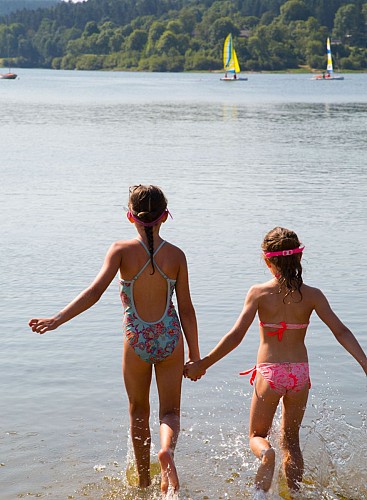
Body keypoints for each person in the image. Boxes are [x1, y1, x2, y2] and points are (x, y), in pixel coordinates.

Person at [29, 184, 200, 495]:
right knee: (170, 412)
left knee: (138, 411)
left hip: (136, 339)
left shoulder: (121, 250)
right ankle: (167, 454)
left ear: (129, 216)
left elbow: (93, 293)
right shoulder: (176, 255)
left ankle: (144, 482)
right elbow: (186, 309)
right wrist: (196, 356)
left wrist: (57, 319)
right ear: (165, 216)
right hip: (170, 338)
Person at [185, 227, 367, 496]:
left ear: (268, 261)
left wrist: (203, 363)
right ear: (299, 259)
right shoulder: (313, 295)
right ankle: (294, 494)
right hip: (299, 375)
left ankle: (266, 458)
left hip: (270, 374)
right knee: (292, 443)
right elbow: (341, 331)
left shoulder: (259, 293)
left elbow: (235, 336)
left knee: (257, 437)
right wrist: (364, 363)